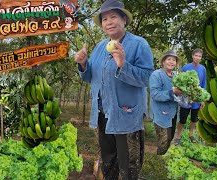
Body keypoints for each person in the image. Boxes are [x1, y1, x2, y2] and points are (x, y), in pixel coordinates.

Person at [74, 0, 154, 179]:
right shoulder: (100, 47)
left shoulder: (139, 44)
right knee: (108, 160)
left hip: (127, 114)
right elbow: (90, 77)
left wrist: (123, 65)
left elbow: (148, 77)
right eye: (104, 19)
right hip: (103, 113)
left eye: (113, 17)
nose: (108, 22)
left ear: (124, 19)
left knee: (129, 164)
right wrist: (83, 63)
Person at [149, 50, 182, 155]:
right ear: (163, 61)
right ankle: (159, 162)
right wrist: (172, 92)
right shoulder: (156, 75)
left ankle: (164, 162)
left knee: (170, 138)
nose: (171, 62)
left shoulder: (175, 77)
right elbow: (155, 94)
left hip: (172, 113)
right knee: (163, 141)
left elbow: (178, 93)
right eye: (169, 59)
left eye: (174, 60)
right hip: (161, 114)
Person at [174, 48, 206, 145]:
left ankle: (191, 134)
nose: (197, 58)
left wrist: (202, 99)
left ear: (201, 58)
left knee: (194, 119)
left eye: (199, 56)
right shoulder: (186, 67)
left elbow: (204, 84)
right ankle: (178, 136)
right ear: (192, 56)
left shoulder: (203, 69)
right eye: (196, 55)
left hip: (196, 98)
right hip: (186, 98)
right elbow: (181, 82)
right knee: (182, 119)